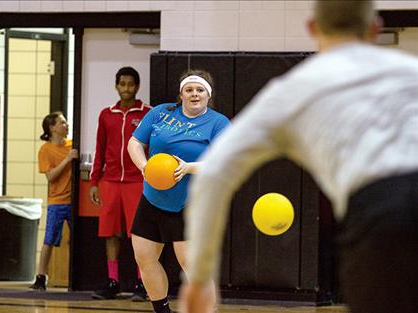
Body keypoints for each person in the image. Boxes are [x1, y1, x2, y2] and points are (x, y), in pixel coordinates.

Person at [180, 1, 418, 313]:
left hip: (383, 216)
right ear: (375, 27)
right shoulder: (410, 70)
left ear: (312, 28)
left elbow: (213, 173)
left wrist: (198, 278)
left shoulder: (293, 90)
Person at [128, 69, 230, 313]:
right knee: (144, 257)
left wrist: (188, 168)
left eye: (199, 90)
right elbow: (134, 142)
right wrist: (145, 167)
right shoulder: (160, 113)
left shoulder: (218, 123)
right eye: (189, 90)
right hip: (152, 198)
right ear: (181, 94)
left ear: (208, 95)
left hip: (189, 204)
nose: (194, 94)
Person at [90, 67, 151, 301]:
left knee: (139, 234)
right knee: (111, 233)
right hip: (111, 181)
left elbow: (153, 148)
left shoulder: (147, 113)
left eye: (130, 84)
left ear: (137, 86)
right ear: (116, 86)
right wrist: (95, 180)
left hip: (138, 182)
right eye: (122, 84)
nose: (126, 88)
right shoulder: (106, 114)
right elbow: (100, 149)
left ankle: (142, 282)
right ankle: (113, 281)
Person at [29, 112, 78, 291]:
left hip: (74, 201)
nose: (66, 125)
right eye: (62, 123)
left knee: (77, 239)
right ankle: (41, 277)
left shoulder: (72, 145)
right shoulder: (45, 150)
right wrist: (68, 159)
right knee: (49, 239)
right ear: (52, 128)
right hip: (57, 200)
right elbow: (50, 176)